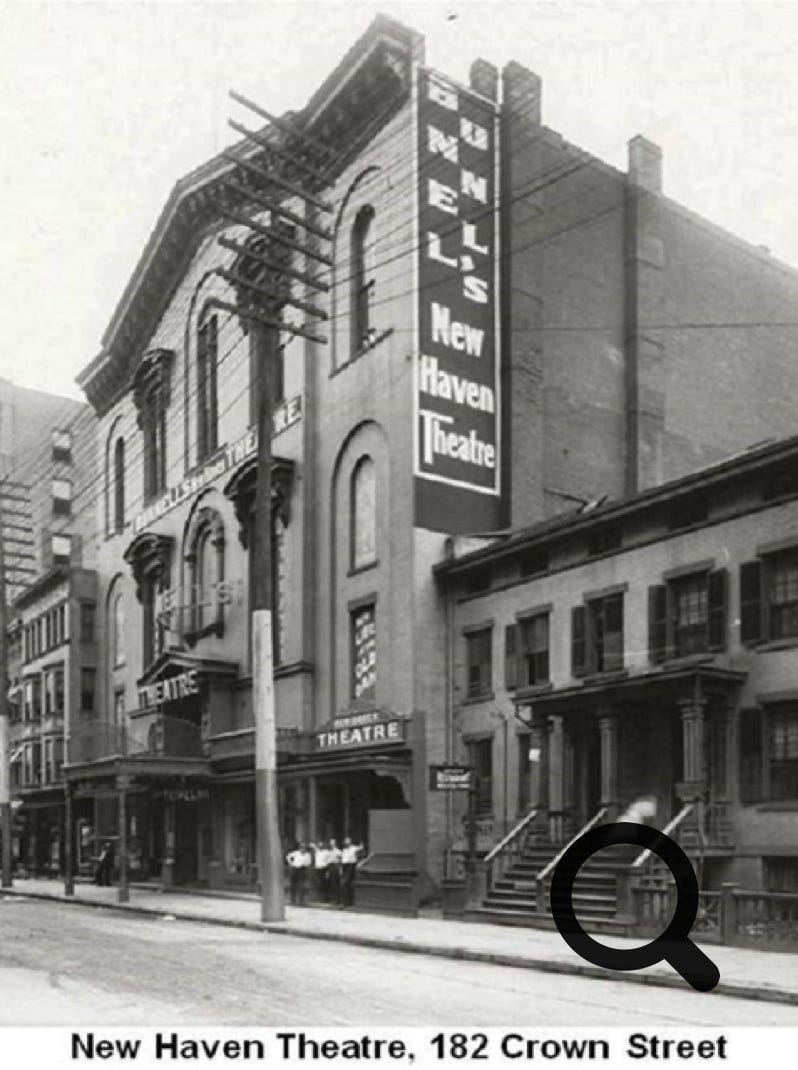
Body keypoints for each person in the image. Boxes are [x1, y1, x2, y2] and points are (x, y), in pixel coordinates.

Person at [339, 837, 363, 907]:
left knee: (344, 883)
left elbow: (361, 848)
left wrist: (361, 843)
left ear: (350, 842)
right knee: (346, 884)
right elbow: (342, 859)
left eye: (348, 842)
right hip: (344, 866)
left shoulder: (353, 848)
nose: (346, 843)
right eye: (345, 842)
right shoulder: (344, 850)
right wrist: (341, 869)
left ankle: (345, 903)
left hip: (350, 866)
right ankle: (348, 902)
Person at [326, 838, 342, 906]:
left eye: (333, 843)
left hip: (335, 867)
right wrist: (327, 871)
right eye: (331, 843)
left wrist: (340, 869)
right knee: (331, 883)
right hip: (330, 867)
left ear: (335, 844)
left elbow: (340, 861)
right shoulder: (329, 851)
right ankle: (332, 899)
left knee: (335, 884)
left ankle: (337, 900)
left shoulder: (338, 851)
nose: (332, 844)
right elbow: (328, 862)